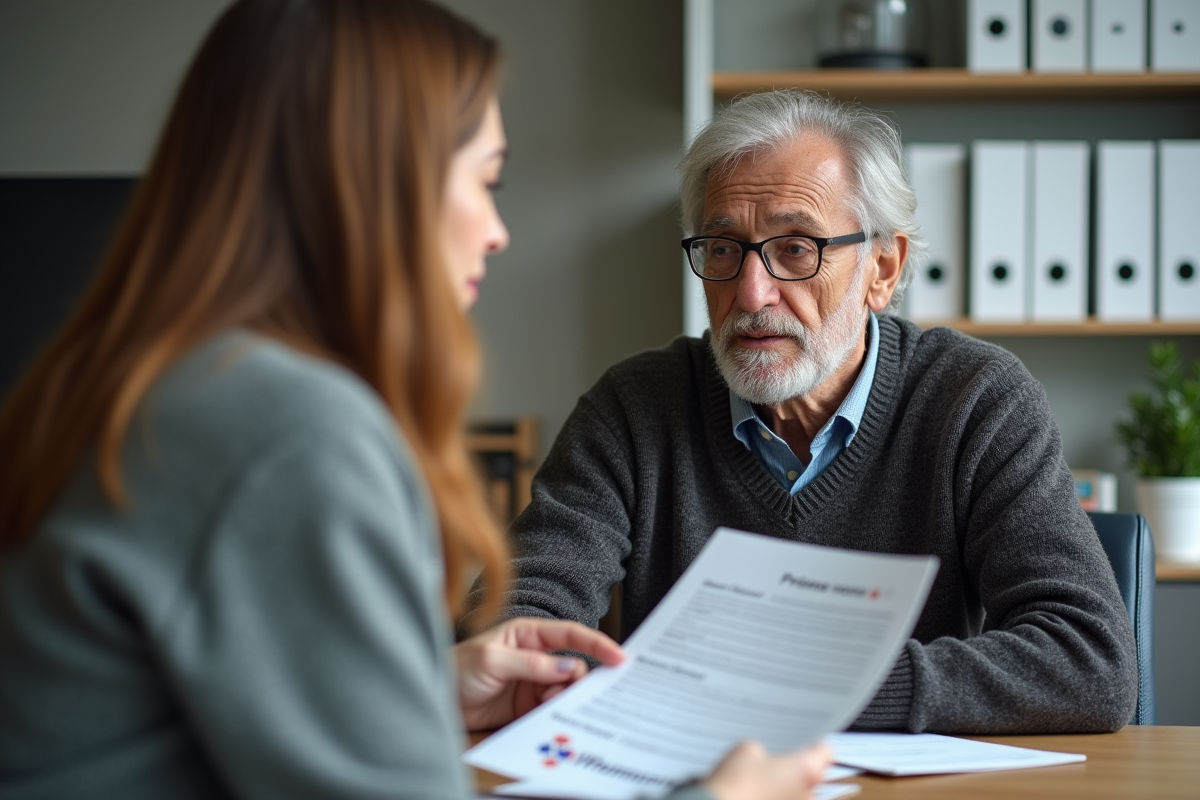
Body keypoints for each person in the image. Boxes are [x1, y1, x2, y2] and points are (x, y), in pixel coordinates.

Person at [0, 3, 830, 799]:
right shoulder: (287, 430)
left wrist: (429, 693)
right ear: (373, 186)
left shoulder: (143, 385)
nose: (497, 230)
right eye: (485, 179)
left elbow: (174, 728)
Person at [463, 89, 1139, 736]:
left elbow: (1090, 662)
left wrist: (812, 686)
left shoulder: (975, 400)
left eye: (795, 248)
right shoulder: (634, 408)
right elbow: (518, 613)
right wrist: (531, 665)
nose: (752, 292)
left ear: (883, 268)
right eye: (723, 249)